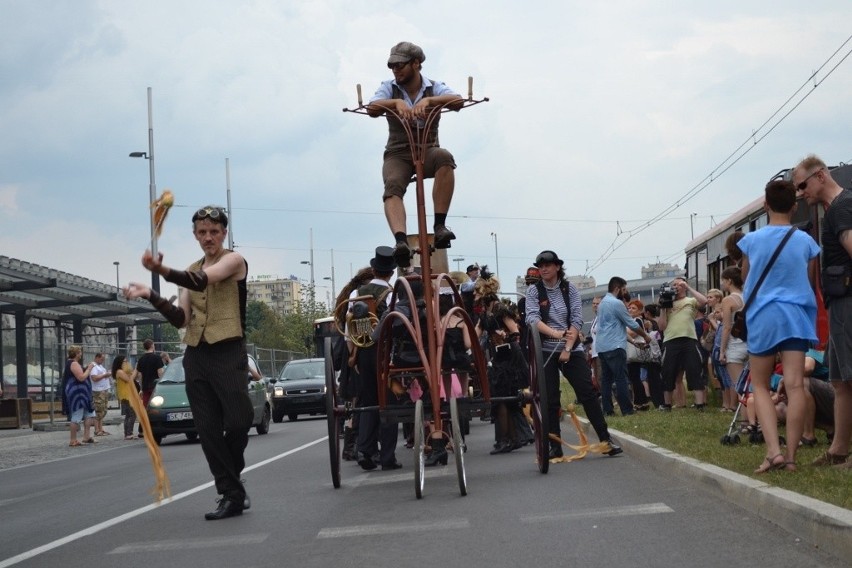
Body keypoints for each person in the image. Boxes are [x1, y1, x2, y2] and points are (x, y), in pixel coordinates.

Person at [124, 205, 254, 520]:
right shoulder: (190, 269)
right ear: (195, 235)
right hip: (197, 356)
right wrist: (151, 296)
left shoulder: (234, 261)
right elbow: (181, 319)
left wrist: (162, 272)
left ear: (224, 233)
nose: (208, 237)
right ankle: (230, 494)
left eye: (214, 231)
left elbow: (202, 280)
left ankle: (232, 480)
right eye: (202, 232)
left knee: (239, 421)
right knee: (208, 431)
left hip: (228, 351)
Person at [738, 179, 820, 473]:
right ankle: (791, 457)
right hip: (796, 316)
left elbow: (747, 281)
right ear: (795, 207)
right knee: (796, 385)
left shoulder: (751, 241)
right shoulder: (807, 242)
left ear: (765, 205)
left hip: (763, 317)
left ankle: (772, 452)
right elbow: (810, 282)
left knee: (760, 384)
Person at [366, 41, 464, 267]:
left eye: (400, 65)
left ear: (416, 64)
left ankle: (439, 226)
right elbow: (372, 108)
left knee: (445, 158)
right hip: (398, 152)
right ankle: (400, 241)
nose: (395, 70)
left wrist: (429, 100)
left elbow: (457, 101)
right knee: (392, 184)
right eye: (392, 66)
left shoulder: (433, 86)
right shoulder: (388, 87)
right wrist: (396, 102)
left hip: (427, 149)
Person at [525, 250, 622, 458]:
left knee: (587, 393)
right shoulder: (534, 291)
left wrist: (568, 347)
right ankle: (554, 445)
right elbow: (532, 319)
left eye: (548, 265)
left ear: (558, 267)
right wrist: (555, 333)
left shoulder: (570, 289)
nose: (543, 269)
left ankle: (606, 440)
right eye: (540, 266)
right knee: (550, 398)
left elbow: (577, 320)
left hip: (572, 347)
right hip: (545, 349)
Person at [793, 154, 852, 468]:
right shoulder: (837, 209)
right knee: (842, 381)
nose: (801, 193)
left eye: (803, 185)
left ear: (821, 175)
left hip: (847, 300)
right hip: (840, 301)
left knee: (849, 378)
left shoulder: (840, 208)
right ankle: (838, 450)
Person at [348, 246, 400, 471]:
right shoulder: (392, 294)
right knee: (388, 401)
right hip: (384, 352)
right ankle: (387, 456)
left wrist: (354, 355)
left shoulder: (355, 294)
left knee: (368, 400)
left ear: (375, 269)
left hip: (363, 352)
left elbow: (350, 329)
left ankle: (364, 450)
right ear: (391, 272)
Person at [597, 279, 652, 416]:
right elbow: (631, 324)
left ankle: (607, 410)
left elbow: (614, 327)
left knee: (606, 380)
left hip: (602, 347)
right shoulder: (617, 304)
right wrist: (645, 336)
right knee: (621, 378)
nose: (626, 292)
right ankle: (627, 410)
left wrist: (633, 342)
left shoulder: (602, 303)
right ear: (617, 288)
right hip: (615, 346)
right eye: (624, 289)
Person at [656, 277, 708, 411]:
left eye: (679, 284)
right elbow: (661, 327)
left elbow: (704, 301)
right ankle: (667, 404)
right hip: (670, 340)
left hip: (689, 339)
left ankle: (700, 404)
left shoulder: (690, 301)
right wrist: (662, 307)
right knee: (668, 372)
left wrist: (689, 287)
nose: (676, 287)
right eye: (674, 285)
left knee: (695, 370)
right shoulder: (668, 304)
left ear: (684, 286)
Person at [718, 267, 748, 411]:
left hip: (735, 346)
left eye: (723, 280)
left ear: (729, 281)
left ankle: (746, 421)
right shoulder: (749, 295)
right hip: (751, 344)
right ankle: (758, 421)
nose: (722, 283)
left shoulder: (728, 300)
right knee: (754, 386)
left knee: (739, 386)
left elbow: (726, 327)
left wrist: (722, 350)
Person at [64, 345, 95, 447]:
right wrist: (89, 369)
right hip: (78, 394)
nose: (81, 354)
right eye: (80, 352)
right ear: (76, 353)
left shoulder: (75, 363)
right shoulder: (73, 363)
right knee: (76, 416)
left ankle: (86, 436)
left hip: (83, 393)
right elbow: (81, 377)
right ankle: (73, 440)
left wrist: (86, 368)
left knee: (89, 414)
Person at [135, 338, 164, 437]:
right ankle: (156, 427)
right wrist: (162, 383)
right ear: (152, 346)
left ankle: (142, 429)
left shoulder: (141, 359)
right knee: (156, 408)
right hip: (155, 387)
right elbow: (160, 372)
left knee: (145, 408)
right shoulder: (157, 358)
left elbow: (140, 375)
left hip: (146, 387)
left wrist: (142, 388)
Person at [112, 355, 137, 440]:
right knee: (132, 415)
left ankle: (127, 433)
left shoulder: (122, 371)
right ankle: (129, 433)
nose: (127, 363)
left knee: (129, 415)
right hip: (126, 396)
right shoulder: (119, 371)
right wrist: (135, 371)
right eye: (125, 362)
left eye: (127, 361)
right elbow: (129, 380)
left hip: (128, 395)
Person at [90, 353, 112, 436]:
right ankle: (97, 429)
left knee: (103, 410)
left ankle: (101, 428)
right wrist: (104, 375)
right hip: (98, 391)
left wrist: (108, 374)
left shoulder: (101, 367)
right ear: (97, 358)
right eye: (101, 359)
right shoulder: (94, 367)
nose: (102, 361)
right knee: (98, 410)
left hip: (104, 390)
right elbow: (94, 378)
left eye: (103, 359)